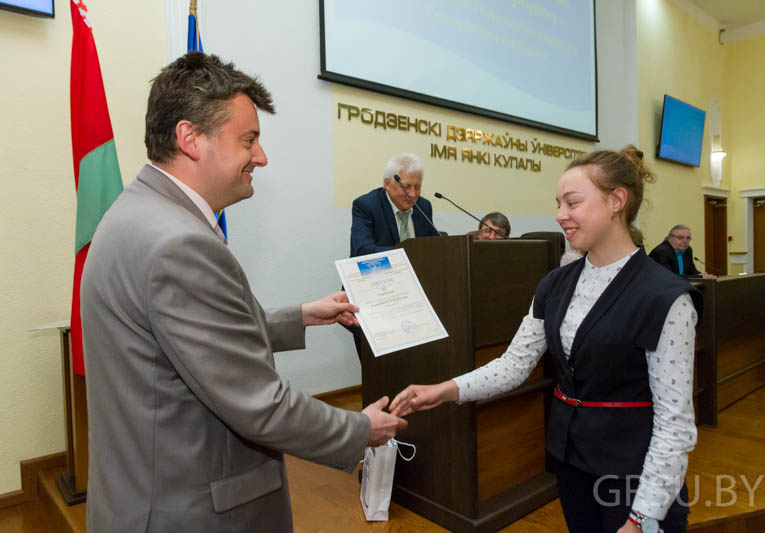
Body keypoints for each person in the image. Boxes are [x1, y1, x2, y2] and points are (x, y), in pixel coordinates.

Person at [80, 52, 407, 533]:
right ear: (190, 138)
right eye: (248, 140)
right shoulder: (179, 242)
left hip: (142, 492)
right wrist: (360, 431)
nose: (261, 156)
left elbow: (187, 339)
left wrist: (298, 316)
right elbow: (261, 404)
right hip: (191, 509)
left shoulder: (138, 211)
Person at [390, 146, 702, 533]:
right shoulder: (555, 283)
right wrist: (443, 390)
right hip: (571, 464)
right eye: (558, 204)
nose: (560, 215)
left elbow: (675, 425)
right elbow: (514, 365)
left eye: (573, 203)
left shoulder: (666, 297)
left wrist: (641, 518)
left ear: (616, 201)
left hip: (634, 476)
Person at [349, 153, 438, 257]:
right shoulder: (367, 206)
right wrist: (405, 254)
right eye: (406, 187)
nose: (413, 194)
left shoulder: (423, 206)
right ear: (387, 184)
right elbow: (363, 250)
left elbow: (434, 246)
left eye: (417, 187)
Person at [649, 225, 717, 279]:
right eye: (680, 238)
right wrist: (699, 277)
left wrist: (700, 274)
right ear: (670, 238)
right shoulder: (661, 252)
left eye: (688, 238)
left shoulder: (687, 250)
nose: (685, 241)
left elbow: (692, 271)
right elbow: (670, 277)